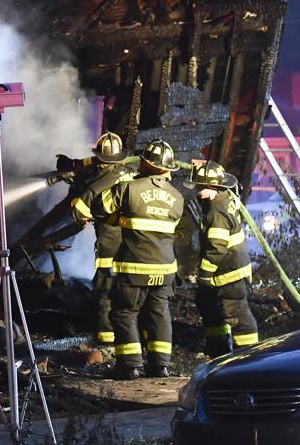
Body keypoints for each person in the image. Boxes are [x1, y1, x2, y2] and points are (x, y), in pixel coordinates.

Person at [94, 139, 184, 379]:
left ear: (144, 163)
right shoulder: (177, 198)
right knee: (159, 313)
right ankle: (160, 365)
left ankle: (130, 365)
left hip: (134, 266)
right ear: (168, 169)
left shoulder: (129, 188)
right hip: (166, 269)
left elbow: (99, 207)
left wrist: (119, 219)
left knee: (124, 312)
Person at [70, 132, 135, 346]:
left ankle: (107, 340)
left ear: (100, 160)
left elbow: (79, 212)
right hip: (136, 247)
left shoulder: (96, 185)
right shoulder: (131, 175)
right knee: (130, 293)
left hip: (110, 247)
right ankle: (133, 335)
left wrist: (78, 197)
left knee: (106, 291)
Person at [189, 160, 259, 357]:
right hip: (229, 268)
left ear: (212, 186)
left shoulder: (217, 211)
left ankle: (247, 355)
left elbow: (216, 248)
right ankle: (217, 349)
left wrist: (204, 274)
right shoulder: (225, 198)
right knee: (207, 303)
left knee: (237, 314)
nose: (197, 191)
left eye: (200, 187)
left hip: (229, 272)